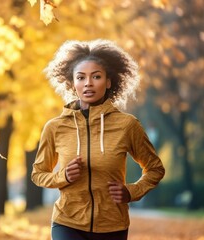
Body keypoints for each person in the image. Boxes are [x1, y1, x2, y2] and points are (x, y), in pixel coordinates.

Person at [31, 39, 165, 240]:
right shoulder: (55, 127)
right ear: (72, 83)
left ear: (109, 81)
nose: (88, 83)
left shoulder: (127, 125)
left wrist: (131, 192)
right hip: (67, 222)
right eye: (81, 77)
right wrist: (63, 177)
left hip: (112, 225)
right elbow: (38, 174)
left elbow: (155, 169)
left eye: (96, 76)